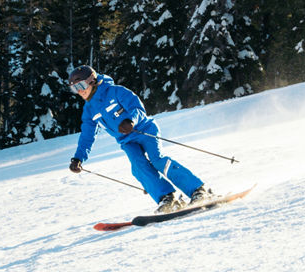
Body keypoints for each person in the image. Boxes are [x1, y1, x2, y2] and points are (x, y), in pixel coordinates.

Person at [67, 65, 211, 213]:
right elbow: (87, 135)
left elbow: (137, 108)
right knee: (138, 166)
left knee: (157, 160)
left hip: (144, 130)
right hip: (127, 141)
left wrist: (131, 121)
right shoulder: (89, 110)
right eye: (74, 88)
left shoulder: (116, 91)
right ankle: (167, 198)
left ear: (92, 81)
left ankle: (197, 190)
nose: (79, 90)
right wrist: (78, 158)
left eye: (81, 85)